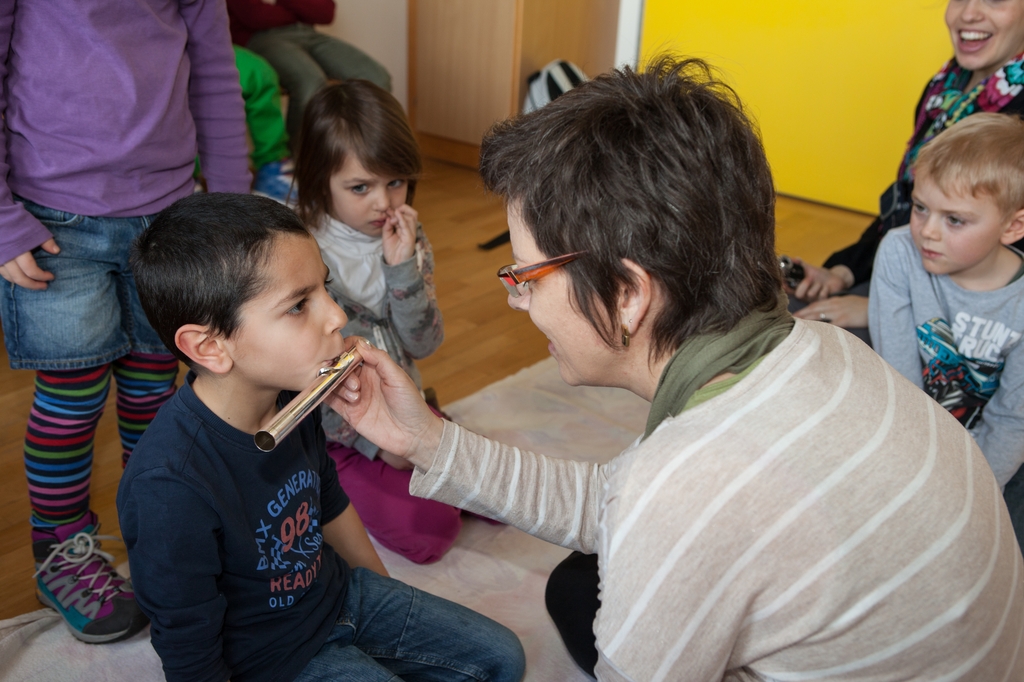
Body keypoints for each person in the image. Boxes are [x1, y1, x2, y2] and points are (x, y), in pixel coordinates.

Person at [329, 57, 1024, 680]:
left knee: (582, 593)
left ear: (627, 295)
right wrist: (426, 441)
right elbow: (616, 502)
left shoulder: (685, 485)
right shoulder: (824, 349)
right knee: (581, 585)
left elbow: (656, 504)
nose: (517, 301)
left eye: (526, 276)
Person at [119, 192, 525, 682]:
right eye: (298, 305)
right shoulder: (168, 485)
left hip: (340, 596)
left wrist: (389, 598)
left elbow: (327, 500)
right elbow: (187, 645)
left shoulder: (296, 397)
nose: (336, 316)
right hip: (272, 659)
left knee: (503, 658)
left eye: (324, 289)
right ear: (209, 347)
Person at [0, 0, 250, 644]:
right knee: (71, 398)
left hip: (168, 215)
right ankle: (61, 553)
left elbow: (214, 70)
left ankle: (161, 537)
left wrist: (228, 206)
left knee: (153, 392)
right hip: (52, 222)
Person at [294, 80, 467, 564]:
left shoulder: (408, 233)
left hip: (401, 406)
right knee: (429, 533)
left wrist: (402, 266)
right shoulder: (294, 251)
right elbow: (300, 380)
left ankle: (430, 447)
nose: (383, 202)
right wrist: (374, 445)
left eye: (396, 182)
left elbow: (423, 342)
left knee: (491, 491)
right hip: (335, 435)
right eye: (360, 187)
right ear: (319, 180)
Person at [788, 0, 1024, 336]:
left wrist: (882, 306)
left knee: (812, 338)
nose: (969, 13)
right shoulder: (943, 88)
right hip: (901, 270)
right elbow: (908, 202)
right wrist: (845, 270)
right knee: (785, 310)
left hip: (962, 313)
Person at [869, 112, 1024, 551]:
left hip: (995, 451)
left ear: (1013, 226)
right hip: (914, 424)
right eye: (920, 208)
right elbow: (901, 382)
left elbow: (1013, 419)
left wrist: (970, 493)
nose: (927, 232)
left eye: (955, 220)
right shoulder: (899, 252)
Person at [226, 0, 392, 151]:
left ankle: (363, 152)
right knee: (311, 83)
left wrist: (282, 10)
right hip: (261, 38)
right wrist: (297, 13)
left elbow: (325, 12)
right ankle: (300, 161)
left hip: (308, 34)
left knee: (377, 77)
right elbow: (257, 16)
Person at [235, 45, 298, 204]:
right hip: (175, 48)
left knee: (258, 71)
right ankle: (188, 179)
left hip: (209, 43)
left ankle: (272, 166)